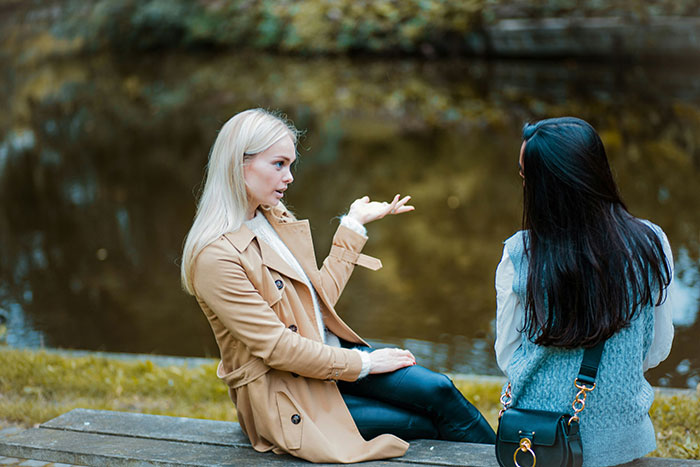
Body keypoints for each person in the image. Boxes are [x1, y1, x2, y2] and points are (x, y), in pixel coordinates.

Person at [180, 108, 495, 463]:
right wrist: (365, 364)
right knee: (423, 421)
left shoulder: (271, 218)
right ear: (240, 164)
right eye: (279, 164)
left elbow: (317, 303)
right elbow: (279, 348)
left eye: (290, 165)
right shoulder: (216, 257)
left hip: (326, 364)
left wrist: (353, 226)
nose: (289, 177)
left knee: (439, 390)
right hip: (288, 394)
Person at [494, 117, 675, 467]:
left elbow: (507, 355)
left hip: (536, 445)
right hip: (623, 442)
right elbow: (657, 348)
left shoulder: (520, 253)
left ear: (546, 186)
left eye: (524, 175)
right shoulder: (652, 243)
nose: (522, 182)